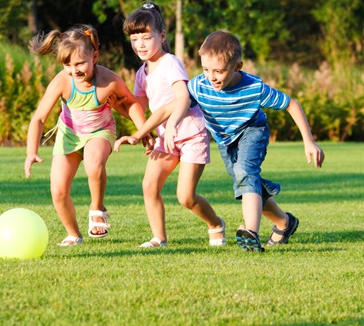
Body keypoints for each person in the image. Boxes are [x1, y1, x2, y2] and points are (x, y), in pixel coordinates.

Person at [116, 29, 325, 252]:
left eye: (219, 71)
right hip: (226, 140)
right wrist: (140, 134)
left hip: (252, 130)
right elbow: (171, 107)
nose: (212, 77)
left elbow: (291, 104)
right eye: (206, 69)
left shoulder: (254, 88)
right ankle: (284, 222)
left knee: (245, 172)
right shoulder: (200, 85)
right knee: (246, 182)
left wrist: (309, 141)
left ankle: (251, 233)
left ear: (237, 67)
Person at [114, 2, 225, 248]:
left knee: (185, 197)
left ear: (161, 36)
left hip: (190, 133)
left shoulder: (170, 63)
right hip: (166, 137)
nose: (140, 44)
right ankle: (159, 238)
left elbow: (183, 97)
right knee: (149, 185)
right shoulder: (142, 72)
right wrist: (112, 104)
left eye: (146, 37)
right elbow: (138, 110)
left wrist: (171, 124)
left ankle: (216, 224)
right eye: (134, 39)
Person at [25, 24, 147, 246]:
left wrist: (144, 131)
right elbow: (39, 118)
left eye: (80, 63)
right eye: (67, 64)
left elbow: (131, 105)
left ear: (95, 56)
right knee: (58, 191)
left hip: (100, 132)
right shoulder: (63, 80)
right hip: (69, 135)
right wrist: (31, 152)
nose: (75, 70)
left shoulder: (108, 80)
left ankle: (97, 207)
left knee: (94, 164)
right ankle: (73, 233)